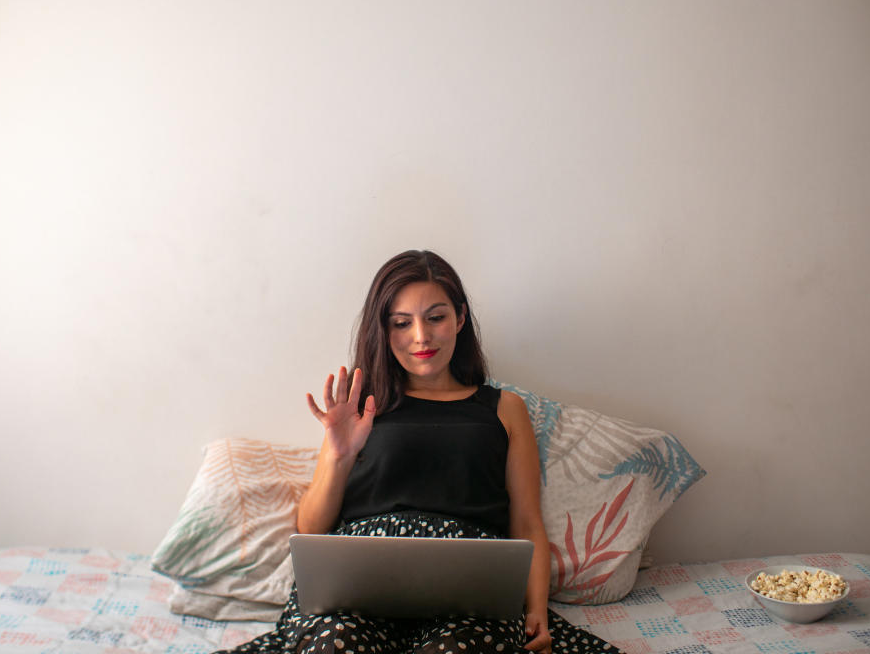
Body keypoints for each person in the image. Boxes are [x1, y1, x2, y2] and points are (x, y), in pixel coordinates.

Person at [216, 251, 619, 654]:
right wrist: (339, 455)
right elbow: (309, 529)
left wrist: (536, 612)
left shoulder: (505, 408)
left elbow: (528, 523)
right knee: (335, 645)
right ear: (383, 330)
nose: (421, 337)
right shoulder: (358, 408)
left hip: (471, 594)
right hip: (355, 589)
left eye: (436, 317)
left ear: (460, 318)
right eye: (401, 323)